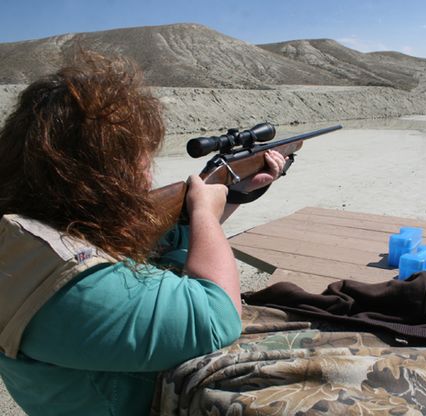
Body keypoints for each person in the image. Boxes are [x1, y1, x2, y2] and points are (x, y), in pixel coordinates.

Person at [0, 52, 285, 415]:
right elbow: (218, 317)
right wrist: (203, 212)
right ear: (105, 169)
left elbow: (174, 239)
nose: (146, 174)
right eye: (141, 157)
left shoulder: (30, 231)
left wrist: (235, 194)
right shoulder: (73, 284)